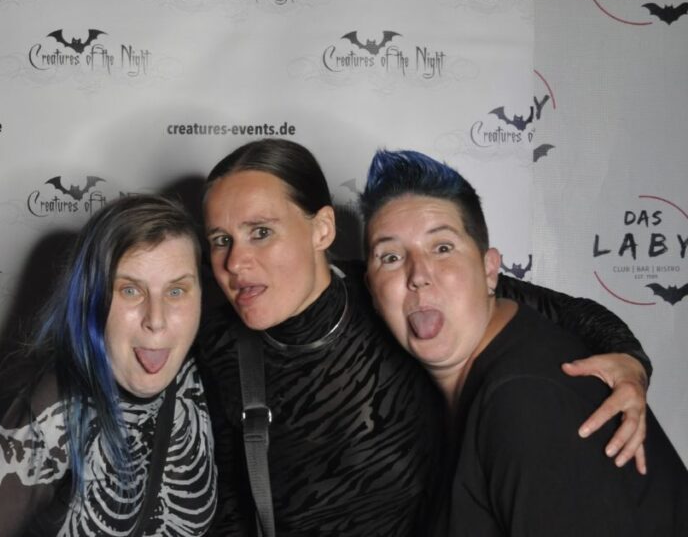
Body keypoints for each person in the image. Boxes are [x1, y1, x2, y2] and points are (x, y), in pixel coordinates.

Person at [195, 139, 652, 537]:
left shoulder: (393, 292)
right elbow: (226, 511)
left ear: (323, 229)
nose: (235, 263)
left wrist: (630, 365)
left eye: (261, 232)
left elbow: (580, 316)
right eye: (220, 240)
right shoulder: (213, 347)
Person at [360, 148, 687, 536]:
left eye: (442, 248)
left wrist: (633, 362)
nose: (418, 275)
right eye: (391, 257)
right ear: (372, 291)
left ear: (490, 270)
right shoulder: (484, 375)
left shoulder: (524, 400)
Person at [0, 195, 217, 536]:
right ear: (90, 297)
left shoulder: (208, 376)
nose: (156, 320)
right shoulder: (44, 411)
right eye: (130, 290)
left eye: (176, 291)